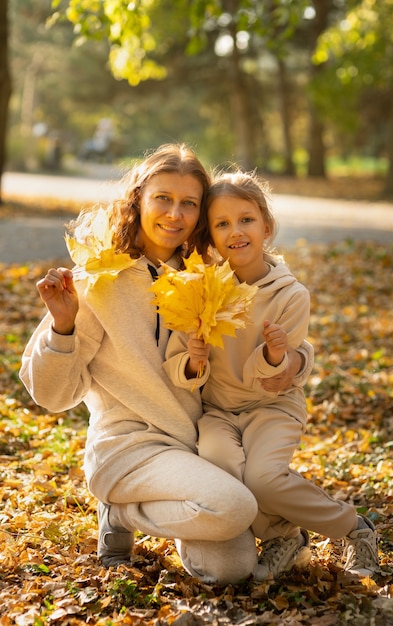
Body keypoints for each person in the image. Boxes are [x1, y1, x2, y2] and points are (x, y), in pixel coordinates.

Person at [19, 143, 309, 585]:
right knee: (235, 507)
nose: (175, 214)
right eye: (163, 199)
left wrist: (299, 358)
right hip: (128, 446)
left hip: (194, 443)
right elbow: (52, 395)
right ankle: (116, 504)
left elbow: (273, 317)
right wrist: (63, 327)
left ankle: (132, 509)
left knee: (232, 568)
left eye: (189, 204)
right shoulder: (97, 277)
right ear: (138, 199)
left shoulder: (209, 273)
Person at [164, 169, 379, 581]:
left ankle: (355, 529)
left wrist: (277, 355)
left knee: (262, 480)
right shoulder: (201, 290)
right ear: (209, 237)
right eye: (221, 224)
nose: (235, 232)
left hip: (272, 407)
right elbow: (181, 368)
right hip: (219, 411)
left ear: (267, 226)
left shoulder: (291, 295)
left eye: (245, 219)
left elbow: (273, 380)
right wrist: (195, 360)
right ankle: (285, 536)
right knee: (221, 469)